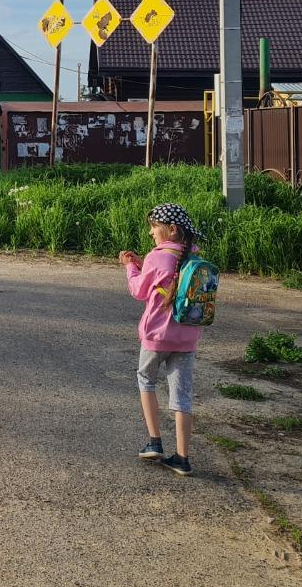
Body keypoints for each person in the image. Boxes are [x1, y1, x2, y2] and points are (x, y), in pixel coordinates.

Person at [119, 203, 203, 476]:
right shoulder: (193, 256)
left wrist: (131, 267)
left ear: (171, 229)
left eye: (154, 228)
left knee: (146, 380)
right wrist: (145, 266)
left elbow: (139, 290)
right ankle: (182, 457)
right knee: (182, 397)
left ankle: (154, 441)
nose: (152, 234)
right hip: (186, 338)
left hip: (157, 336)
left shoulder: (157, 257)